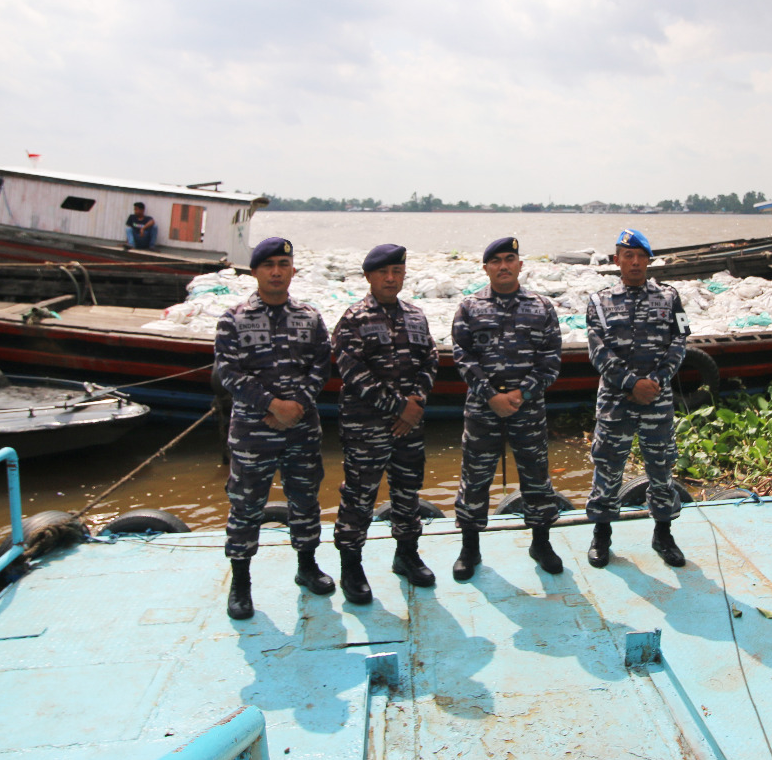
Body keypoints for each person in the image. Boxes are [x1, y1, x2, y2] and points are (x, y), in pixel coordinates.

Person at [215, 237, 333, 619]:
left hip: (301, 427)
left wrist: (295, 405)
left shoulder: (310, 317)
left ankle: (307, 567)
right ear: (255, 272)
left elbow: (321, 365)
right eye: (269, 265)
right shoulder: (233, 319)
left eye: (284, 264)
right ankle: (241, 583)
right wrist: (272, 405)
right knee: (246, 506)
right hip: (253, 431)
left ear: (293, 270)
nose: (277, 271)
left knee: (305, 499)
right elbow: (228, 372)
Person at [450, 236, 565, 579]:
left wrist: (521, 395)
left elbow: (551, 359)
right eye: (496, 260)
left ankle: (541, 541)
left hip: (528, 410)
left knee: (536, 476)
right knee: (474, 478)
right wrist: (490, 395)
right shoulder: (470, 308)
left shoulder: (542, 307)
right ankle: (470, 547)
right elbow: (462, 355)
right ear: (485, 267)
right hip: (483, 409)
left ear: (520, 264)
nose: (503, 265)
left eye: (510, 259)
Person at [330, 244, 439, 604]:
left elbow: (431, 359)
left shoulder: (416, 316)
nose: (391, 279)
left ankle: (406, 554)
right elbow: (354, 375)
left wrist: (418, 402)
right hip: (366, 427)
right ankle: (351, 565)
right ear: (369, 277)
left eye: (397, 271)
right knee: (359, 497)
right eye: (383, 273)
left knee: (408, 493)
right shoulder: (353, 320)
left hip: (409, 427)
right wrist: (399, 408)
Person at [583, 228, 690, 568]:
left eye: (640, 256)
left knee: (661, 469)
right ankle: (601, 536)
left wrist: (654, 382)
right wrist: (631, 383)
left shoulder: (670, 297)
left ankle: (663, 533)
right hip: (616, 402)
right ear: (616, 261)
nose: (634, 262)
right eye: (627, 256)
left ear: (648, 261)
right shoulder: (598, 302)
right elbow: (598, 352)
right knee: (607, 469)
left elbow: (681, 341)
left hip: (657, 400)